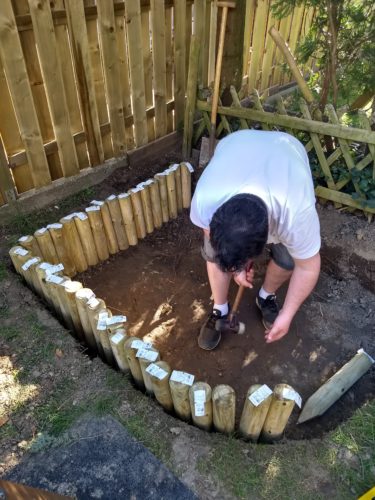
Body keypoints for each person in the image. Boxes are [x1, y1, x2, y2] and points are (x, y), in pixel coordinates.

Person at [190, 129, 321, 350]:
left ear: (265, 242)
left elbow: (307, 267)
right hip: (238, 142)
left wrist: (287, 315)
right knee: (215, 255)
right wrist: (236, 268)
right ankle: (219, 310)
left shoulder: (295, 213)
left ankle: (265, 297)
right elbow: (211, 236)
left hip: (287, 151)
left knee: (288, 260)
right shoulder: (206, 200)